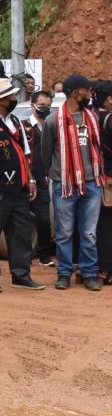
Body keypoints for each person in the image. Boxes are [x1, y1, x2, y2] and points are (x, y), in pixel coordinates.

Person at [0, 79, 43, 292]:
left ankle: (21, 274)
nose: (15, 98)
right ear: (3, 99)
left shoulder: (14, 120)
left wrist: (30, 179)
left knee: (21, 233)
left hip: (19, 188)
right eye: (12, 96)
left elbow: (24, 154)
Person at [41, 74, 105, 291]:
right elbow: (46, 154)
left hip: (91, 183)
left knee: (89, 232)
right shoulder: (53, 121)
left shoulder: (92, 118)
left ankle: (89, 273)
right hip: (64, 185)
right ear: (76, 93)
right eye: (87, 91)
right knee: (65, 232)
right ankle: (64, 274)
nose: (89, 95)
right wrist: (56, 176)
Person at [24, 91, 55, 267]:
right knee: (22, 221)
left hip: (43, 181)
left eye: (48, 106)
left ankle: (44, 255)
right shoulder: (24, 126)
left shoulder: (51, 126)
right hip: (24, 181)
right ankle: (24, 255)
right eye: (42, 105)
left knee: (44, 220)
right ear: (33, 104)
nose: (45, 109)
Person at [93, 81, 112, 284]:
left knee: (93, 224)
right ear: (109, 99)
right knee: (107, 225)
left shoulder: (88, 118)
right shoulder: (109, 119)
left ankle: (91, 267)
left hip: (92, 178)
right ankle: (105, 269)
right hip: (109, 180)